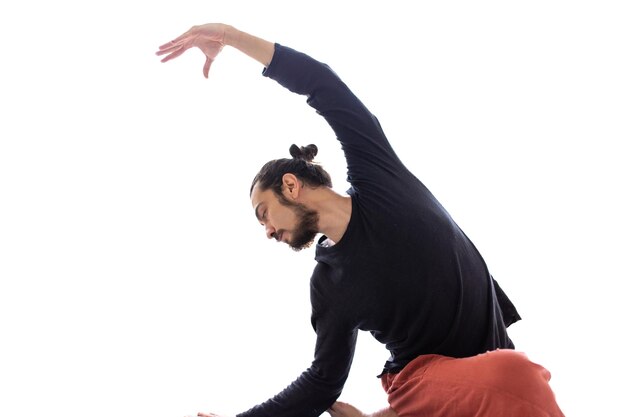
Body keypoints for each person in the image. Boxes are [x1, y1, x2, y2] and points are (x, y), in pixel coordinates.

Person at [156, 23, 565, 417]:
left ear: (291, 185)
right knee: (519, 379)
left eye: (264, 214)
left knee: (512, 377)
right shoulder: (330, 284)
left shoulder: (378, 175)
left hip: (488, 369)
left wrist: (229, 35)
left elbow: (323, 85)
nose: (267, 232)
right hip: (424, 382)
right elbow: (321, 382)